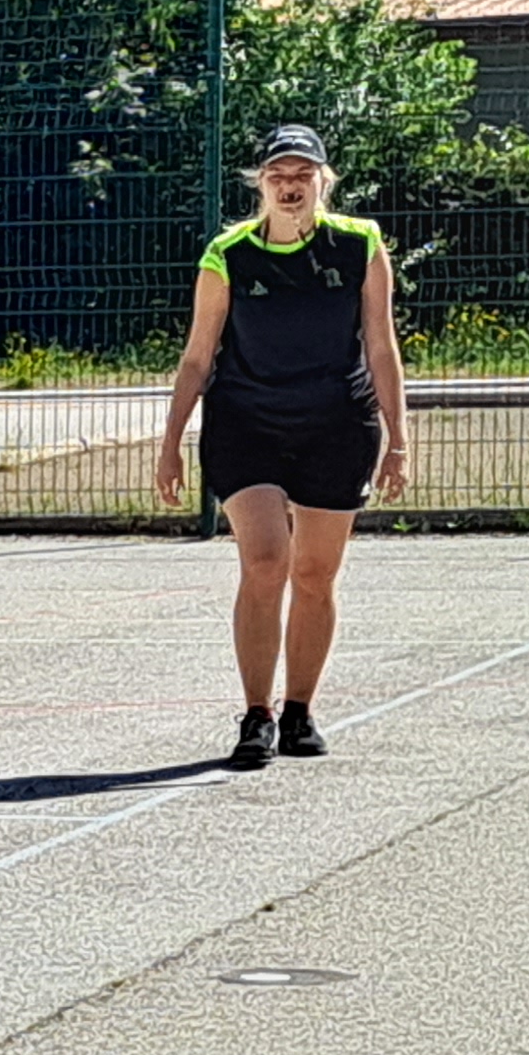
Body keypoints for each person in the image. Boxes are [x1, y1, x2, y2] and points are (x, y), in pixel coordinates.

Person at [154, 125, 411, 772]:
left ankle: (299, 710)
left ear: (324, 181)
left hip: (336, 424)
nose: (290, 186)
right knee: (267, 560)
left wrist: (399, 440)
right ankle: (257, 714)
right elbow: (197, 357)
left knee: (316, 574)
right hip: (247, 422)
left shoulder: (360, 244)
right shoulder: (229, 254)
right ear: (261, 184)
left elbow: (381, 346)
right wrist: (170, 442)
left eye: (302, 175)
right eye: (278, 176)